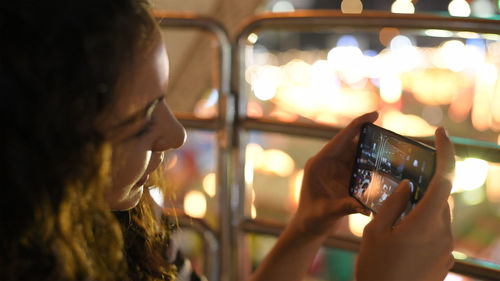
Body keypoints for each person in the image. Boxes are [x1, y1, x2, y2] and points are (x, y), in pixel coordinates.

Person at [0, 1, 455, 280]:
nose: (176, 134)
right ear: (49, 149)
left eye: (164, 99)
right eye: (140, 122)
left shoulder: (126, 221)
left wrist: (307, 227)